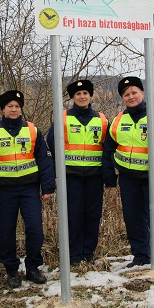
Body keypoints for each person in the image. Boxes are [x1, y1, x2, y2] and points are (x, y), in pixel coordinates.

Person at [0, 90, 56, 288]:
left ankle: (32, 267)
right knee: (5, 231)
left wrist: (47, 187)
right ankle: (11, 269)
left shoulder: (32, 131)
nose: (14, 109)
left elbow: (45, 161)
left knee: (35, 229)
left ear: (21, 109)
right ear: (3, 109)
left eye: (17, 106)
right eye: (10, 106)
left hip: (29, 189)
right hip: (4, 191)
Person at [102, 76, 154, 274]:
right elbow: (109, 149)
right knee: (134, 219)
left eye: (134, 93)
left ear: (143, 93)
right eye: (126, 94)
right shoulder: (118, 120)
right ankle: (140, 256)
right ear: (123, 98)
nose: (131, 97)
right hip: (128, 178)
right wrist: (110, 176)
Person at [47, 79, 108, 265]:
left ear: (90, 96)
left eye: (85, 94)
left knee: (92, 215)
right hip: (70, 177)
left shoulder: (102, 119)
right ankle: (73, 255)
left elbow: (109, 147)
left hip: (94, 177)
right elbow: (51, 143)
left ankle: (88, 254)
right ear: (73, 97)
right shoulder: (63, 118)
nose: (82, 97)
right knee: (72, 215)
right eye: (78, 94)